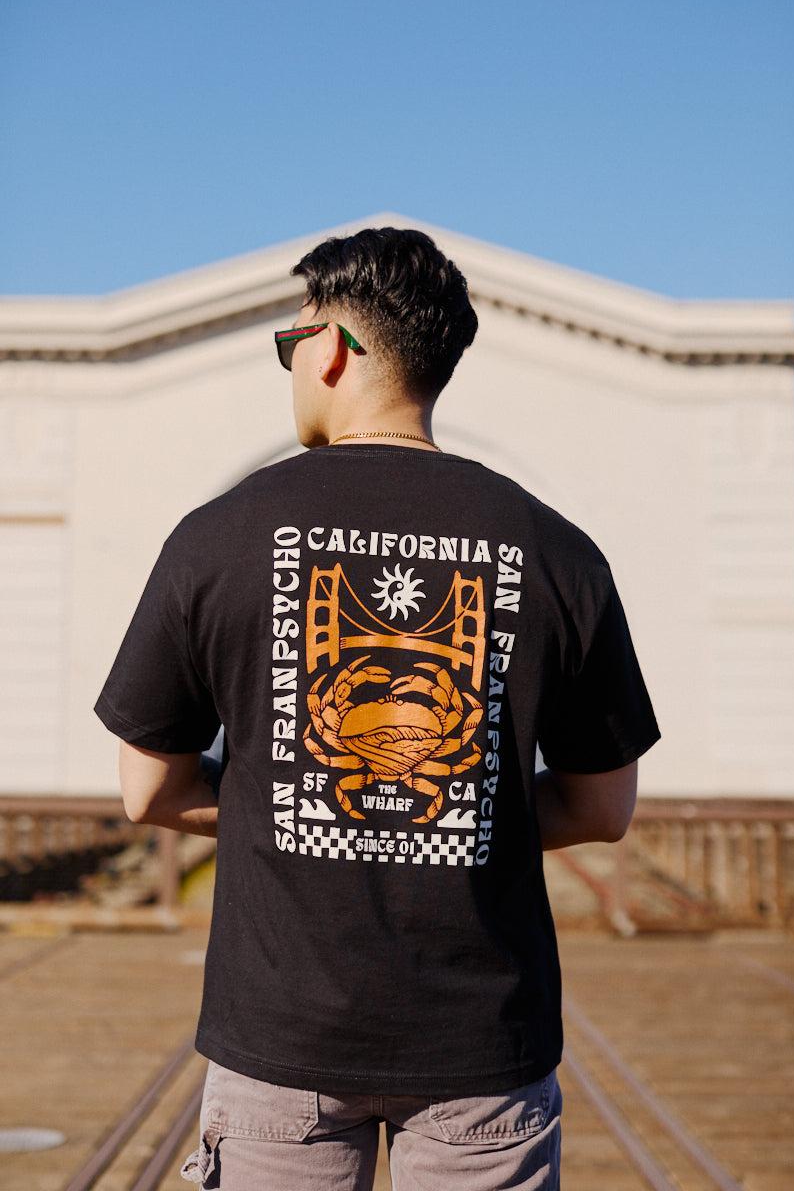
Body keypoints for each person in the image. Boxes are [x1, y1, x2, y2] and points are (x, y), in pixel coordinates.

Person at [95, 226, 659, 1190]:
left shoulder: (219, 534)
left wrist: (292, 800)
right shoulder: (558, 550)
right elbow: (603, 810)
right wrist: (465, 806)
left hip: (282, 1037)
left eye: (289, 347)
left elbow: (148, 789)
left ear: (329, 345)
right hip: (485, 1046)